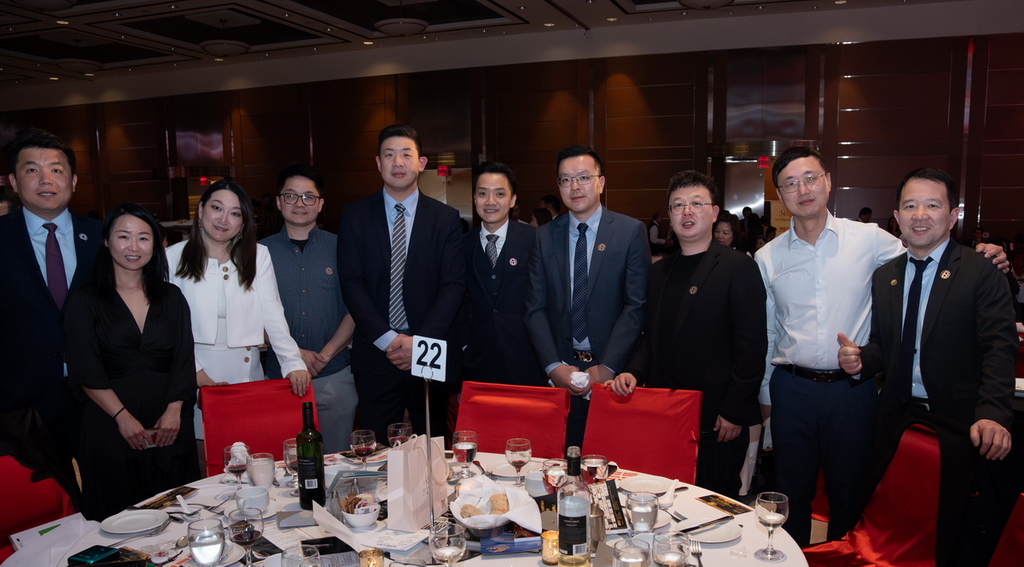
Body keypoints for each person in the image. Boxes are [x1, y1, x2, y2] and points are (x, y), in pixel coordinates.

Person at [756, 146, 1007, 547]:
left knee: (851, 490)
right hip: (792, 387)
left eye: (811, 178)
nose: (803, 189)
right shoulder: (766, 257)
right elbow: (769, 331)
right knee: (790, 489)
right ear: (780, 195)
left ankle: (841, 555)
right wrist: (767, 395)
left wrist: (985, 255)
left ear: (828, 182)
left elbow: (928, 254)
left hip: (852, 390)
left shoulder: (871, 240)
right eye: (790, 183)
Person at [837, 167, 1017, 565]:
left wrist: (993, 414)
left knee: (951, 537)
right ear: (896, 217)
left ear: (952, 216)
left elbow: (999, 348)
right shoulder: (886, 276)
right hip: (899, 421)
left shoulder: (980, 271)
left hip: (960, 424)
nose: (920, 215)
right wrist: (861, 360)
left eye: (932, 206)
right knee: (895, 530)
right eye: (910, 206)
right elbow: (887, 345)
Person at [609, 171, 766, 498]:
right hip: (667, 412)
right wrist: (633, 371)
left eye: (697, 203)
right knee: (666, 497)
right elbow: (650, 337)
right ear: (670, 215)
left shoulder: (738, 267)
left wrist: (734, 410)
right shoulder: (659, 271)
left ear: (714, 212)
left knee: (714, 503)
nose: (687, 211)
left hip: (718, 417)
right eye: (678, 205)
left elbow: (751, 347)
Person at [65, 203, 200, 520]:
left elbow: (184, 359)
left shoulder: (172, 297)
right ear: (106, 241)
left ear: (156, 244)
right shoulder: (85, 299)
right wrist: (122, 417)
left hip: (169, 425)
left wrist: (174, 410)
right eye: (123, 236)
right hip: (109, 424)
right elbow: (85, 368)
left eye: (143, 237)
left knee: (176, 517)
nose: (134, 246)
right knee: (118, 520)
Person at [337, 124, 465, 441]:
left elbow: (453, 286)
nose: (398, 162)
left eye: (406, 154)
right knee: (375, 450)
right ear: (378, 163)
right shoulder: (355, 216)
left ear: (421, 163)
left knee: (433, 447)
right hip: (376, 352)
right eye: (389, 155)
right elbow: (352, 283)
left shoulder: (446, 218)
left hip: (429, 351)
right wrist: (387, 338)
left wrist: (418, 343)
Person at [525, 144, 650, 447]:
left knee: (612, 460)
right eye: (565, 180)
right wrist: (554, 367)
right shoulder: (543, 236)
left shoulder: (630, 231)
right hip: (562, 373)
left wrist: (606, 368)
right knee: (562, 459)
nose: (575, 186)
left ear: (601, 182)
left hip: (613, 378)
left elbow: (635, 306)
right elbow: (535, 308)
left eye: (583, 177)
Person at [167, 180, 311, 441]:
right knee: (204, 453)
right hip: (193, 375)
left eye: (235, 213)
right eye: (216, 208)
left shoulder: (257, 255)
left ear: (243, 223)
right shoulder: (172, 257)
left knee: (251, 450)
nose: (224, 219)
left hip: (247, 376)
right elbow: (166, 326)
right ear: (201, 210)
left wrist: (292, 362)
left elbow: (273, 314)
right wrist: (195, 373)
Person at [0, 128, 102, 463]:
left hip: (99, 399)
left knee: (108, 491)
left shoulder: (102, 237)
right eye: (32, 169)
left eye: (56, 169)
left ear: (73, 180)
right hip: (20, 405)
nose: (46, 179)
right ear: (13, 182)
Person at [260, 164, 356, 452]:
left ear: (320, 204)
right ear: (279, 202)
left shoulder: (343, 248)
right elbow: (252, 316)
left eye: (308, 197)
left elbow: (355, 310)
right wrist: (296, 355)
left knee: (337, 462)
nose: (299, 203)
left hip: (334, 374)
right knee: (285, 464)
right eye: (290, 196)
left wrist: (323, 357)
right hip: (279, 376)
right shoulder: (258, 253)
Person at [463, 162, 544, 386]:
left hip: (527, 359)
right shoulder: (461, 244)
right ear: (474, 198)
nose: (490, 201)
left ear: (512, 200)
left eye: (499, 193)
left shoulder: (535, 239)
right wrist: (463, 345)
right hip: (477, 361)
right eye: (483, 193)